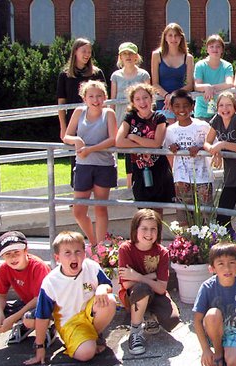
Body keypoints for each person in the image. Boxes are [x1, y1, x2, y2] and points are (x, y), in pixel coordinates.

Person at [24, 231, 116, 365]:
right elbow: (42, 316)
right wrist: (40, 347)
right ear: (57, 258)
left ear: (84, 253)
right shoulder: (51, 282)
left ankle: (94, 336)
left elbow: (107, 284)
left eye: (78, 251)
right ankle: (80, 340)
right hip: (70, 322)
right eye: (67, 253)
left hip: (89, 312)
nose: (74, 256)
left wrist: (103, 288)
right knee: (86, 354)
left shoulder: (91, 267)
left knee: (109, 300)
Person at [62, 80, 117, 247]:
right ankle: (93, 243)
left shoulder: (108, 113)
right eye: (91, 96)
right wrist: (76, 140)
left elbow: (113, 139)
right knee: (78, 211)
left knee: (100, 208)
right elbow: (66, 136)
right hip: (83, 166)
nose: (95, 99)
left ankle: (100, 248)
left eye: (99, 96)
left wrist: (91, 150)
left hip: (103, 165)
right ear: (84, 98)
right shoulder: (79, 112)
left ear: (105, 97)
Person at [118, 209, 180, 356]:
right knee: (141, 289)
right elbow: (127, 284)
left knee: (172, 321)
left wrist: (137, 276)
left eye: (153, 229)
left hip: (155, 293)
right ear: (135, 229)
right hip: (134, 295)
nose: (149, 233)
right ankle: (136, 332)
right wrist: (152, 276)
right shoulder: (126, 249)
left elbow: (161, 288)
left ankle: (150, 315)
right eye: (144, 228)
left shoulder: (162, 252)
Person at [116, 83, 174, 217]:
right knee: (143, 212)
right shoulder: (129, 117)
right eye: (137, 99)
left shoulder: (160, 118)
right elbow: (119, 141)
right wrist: (144, 145)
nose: (142, 102)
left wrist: (134, 137)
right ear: (133, 102)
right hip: (139, 168)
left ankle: (156, 237)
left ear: (151, 98)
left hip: (158, 168)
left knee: (158, 211)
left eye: (145, 97)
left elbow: (156, 143)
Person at [57, 37, 107, 187]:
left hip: (95, 119)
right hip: (75, 120)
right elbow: (61, 102)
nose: (87, 54)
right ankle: (78, 189)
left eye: (89, 52)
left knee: (97, 150)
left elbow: (105, 98)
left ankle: (98, 188)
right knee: (77, 155)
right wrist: (63, 127)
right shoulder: (65, 75)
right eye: (83, 51)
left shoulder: (97, 73)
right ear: (75, 52)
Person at [203, 91, 236, 228]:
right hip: (229, 178)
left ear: (235, 107)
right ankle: (229, 243)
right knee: (222, 217)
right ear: (217, 107)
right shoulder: (216, 119)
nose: (225, 109)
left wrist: (223, 144)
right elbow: (207, 142)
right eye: (221, 105)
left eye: (228, 105)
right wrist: (215, 151)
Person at [165, 90, 213, 226]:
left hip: (202, 176)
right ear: (171, 108)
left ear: (192, 106)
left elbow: (212, 146)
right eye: (177, 106)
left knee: (206, 213)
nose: (182, 110)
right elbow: (168, 151)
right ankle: (186, 244)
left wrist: (201, 148)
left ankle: (207, 242)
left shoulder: (202, 126)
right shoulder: (171, 130)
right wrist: (172, 149)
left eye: (185, 105)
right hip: (181, 177)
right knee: (184, 215)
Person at [0, 231, 53, 346]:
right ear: (2, 256)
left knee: (29, 319)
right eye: (8, 254)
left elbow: (39, 299)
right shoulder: (5, 268)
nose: (13, 257)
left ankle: (50, 327)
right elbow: (1, 295)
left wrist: (11, 319)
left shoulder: (38, 267)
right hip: (27, 303)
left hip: (48, 304)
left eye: (16, 252)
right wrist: (0, 314)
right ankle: (25, 325)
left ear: (26, 250)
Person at [110, 42, 151, 189]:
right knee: (127, 151)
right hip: (122, 117)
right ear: (120, 57)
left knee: (140, 148)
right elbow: (112, 99)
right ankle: (129, 185)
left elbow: (149, 96)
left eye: (130, 54)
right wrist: (112, 120)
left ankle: (144, 182)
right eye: (124, 54)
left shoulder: (143, 74)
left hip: (139, 118)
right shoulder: (116, 76)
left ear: (136, 56)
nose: (128, 57)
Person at [151, 23, 195, 124]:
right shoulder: (157, 55)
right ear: (165, 37)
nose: (173, 39)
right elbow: (155, 83)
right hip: (163, 100)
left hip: (181, 100)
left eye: (176, 35)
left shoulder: (188, 58)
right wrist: (167, 96)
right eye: (170, 35)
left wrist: (173, 96)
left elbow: (189, 85)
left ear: (181, 38)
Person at [194, 34, 234, 121]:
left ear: (222, 49)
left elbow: (229, 83)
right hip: (202, 111)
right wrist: (206, 87)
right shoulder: (200, 65)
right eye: (211, 46)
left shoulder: (227, 66)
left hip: (222, 111)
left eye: (218, 46)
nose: (215, 49)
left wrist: (212, 88)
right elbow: (196, 85)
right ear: (207, 49)